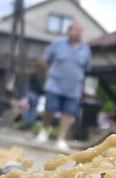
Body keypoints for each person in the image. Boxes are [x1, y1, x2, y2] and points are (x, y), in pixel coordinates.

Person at [35, 22, 91, 150]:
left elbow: (87, 69)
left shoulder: (86, 49)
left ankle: (61, 138)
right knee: (50, 108)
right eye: (75, 30)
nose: (77, 33)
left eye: (79, 30)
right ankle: (45, 130)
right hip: (55, 83)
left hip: (74, 87)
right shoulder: (57, 44)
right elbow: (46, 61)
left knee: (68, 113)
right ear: (69, 31)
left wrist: (84, 88)